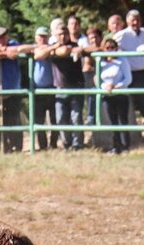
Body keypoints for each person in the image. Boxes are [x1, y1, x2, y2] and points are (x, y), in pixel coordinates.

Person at [114, 9, 144, 128]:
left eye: (138, 20)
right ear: (127, 21)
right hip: (133, 73)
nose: (135, 23)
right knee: (143, 100)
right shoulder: (122, 35)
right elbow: (109, 46)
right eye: (132, 20)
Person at [46, 22, 86, 150]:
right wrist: (54, 48)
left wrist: (76, 50)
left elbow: (83, 50)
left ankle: (77, 144)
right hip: (60, 87)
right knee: (61, 118)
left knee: (76, 117)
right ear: (55, 35)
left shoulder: (75, 46)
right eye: (60, 34)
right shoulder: (51, 48)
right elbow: (39, 54)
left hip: (76, 85)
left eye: (65, 34)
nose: (62, 36)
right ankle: (66, 143)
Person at [97, 36, 132, 153]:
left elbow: (128, 78)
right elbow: (98, 79)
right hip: (107, 95)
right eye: (107, 48)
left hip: (121, 94)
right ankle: (116, 146)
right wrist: (105, 87)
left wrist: (117, 87)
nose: (110, 50)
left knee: (123, 120)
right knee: (112, 121)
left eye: (113, 47)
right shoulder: (100, 62)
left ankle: (125, 146)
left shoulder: (122, 60)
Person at [31, 26, 58, 150]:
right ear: (36, 38)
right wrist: (51, 47)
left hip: (52, 88)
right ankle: (42, 145)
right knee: (38, 120)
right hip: (37, 90)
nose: (42, 38)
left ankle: (53, 144)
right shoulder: (34, 48)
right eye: (40, 36)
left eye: (45, 36)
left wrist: (50, 48)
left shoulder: (53, 49)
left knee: (54, 119)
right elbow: (38, 56)